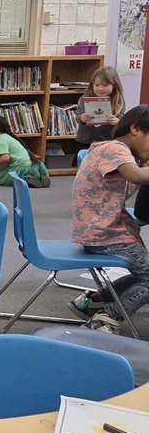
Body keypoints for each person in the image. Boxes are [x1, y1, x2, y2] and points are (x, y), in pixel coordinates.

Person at [72, 105, 149, 335]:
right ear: (135, 129)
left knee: (142, 273)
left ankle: (93, 300)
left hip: (97, 231)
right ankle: (107, 316)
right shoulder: (116, 149)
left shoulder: (109, 150)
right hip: (106, 234)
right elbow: (135, 176)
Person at [0, 115, 50, 187]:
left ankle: (24, 179)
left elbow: (5, 158)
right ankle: (37, 176)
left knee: (0, 177)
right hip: (31, 165)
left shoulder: (0, 140)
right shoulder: (7, 137)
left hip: (19, 168)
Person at [77, 66, 124, 147]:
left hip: (108, 142)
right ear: (92, 85)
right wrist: (82, 119)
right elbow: (78, 117)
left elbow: (122, 120)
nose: (100, 88)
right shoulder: (85, 99)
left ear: (114, 86)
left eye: (105, 85)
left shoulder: (118, 101)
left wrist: (117, 121)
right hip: (85, 142)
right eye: (97, 85)